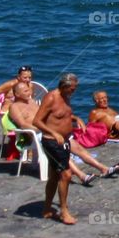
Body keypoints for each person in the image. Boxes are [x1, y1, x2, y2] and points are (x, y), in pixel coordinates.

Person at [7, 81, 118, 186]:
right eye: (25, 91)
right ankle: (82, 176)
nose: (29, 92)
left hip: (50, 130)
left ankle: (103, 168)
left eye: (29, 90)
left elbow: (45, 115)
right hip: (36, 136)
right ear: (17, 94)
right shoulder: (14, 107)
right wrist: (45, 129)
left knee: (77, 147)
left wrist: (66, 121)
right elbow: (23, 125)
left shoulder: (31, 101)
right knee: (62, 152)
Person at [33, 73, 79, 224]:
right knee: (66, 175)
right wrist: (54, 133)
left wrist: (76, 119)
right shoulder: (52, 97)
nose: (74, 91)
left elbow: (62, 115)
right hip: (52, 142)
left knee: (54, 176)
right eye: (72, 89)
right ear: (64, 86)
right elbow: (37, 121)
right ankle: (64, 211)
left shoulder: (66, 97)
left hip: (64, 142)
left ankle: (47, 208)